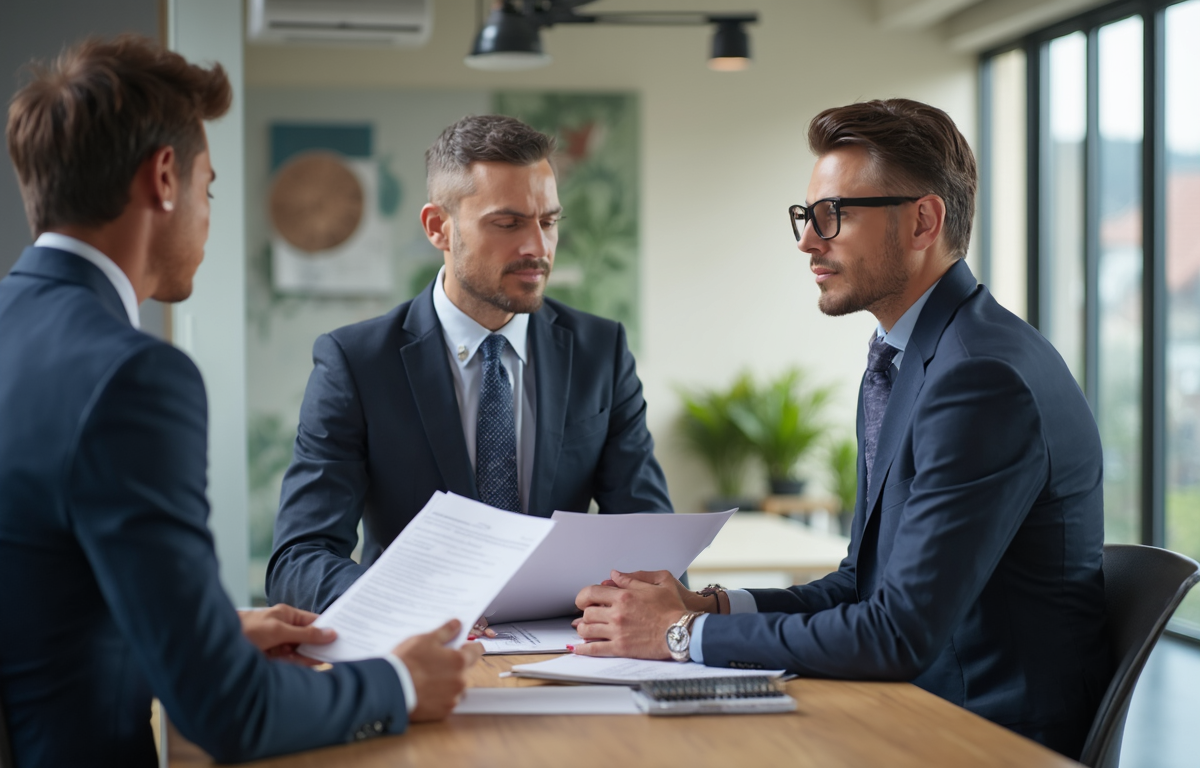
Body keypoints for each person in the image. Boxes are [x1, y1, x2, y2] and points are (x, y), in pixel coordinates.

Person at [571, 99, 1111, 759]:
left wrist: (679, 635)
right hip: (911, 707)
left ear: (922, 221)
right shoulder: (909, 357)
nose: (807, 240)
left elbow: (896, 634)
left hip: (982, 737)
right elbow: (863, 581)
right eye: (806, 215)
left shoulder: (981, 379)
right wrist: (708, 608)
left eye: (834, 215)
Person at [0, 35, 481, 767]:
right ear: (165, 177)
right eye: (210, 186)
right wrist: (398, 683)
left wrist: (210, 631)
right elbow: (228, 711)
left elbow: (37, 593)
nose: (207, 210)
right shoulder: (133, 377)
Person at [267, 114, 673, 614]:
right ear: (439, 227)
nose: (537, 248)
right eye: (507, 223)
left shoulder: (601, 352)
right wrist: (409, 612)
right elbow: (299, 558)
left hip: (567, 655)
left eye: (548, 222)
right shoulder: (355, 363)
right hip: (418, 653)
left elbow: (649, 544)